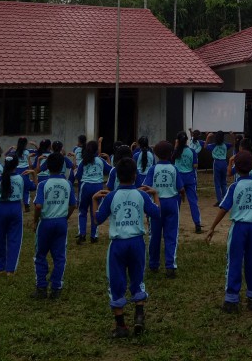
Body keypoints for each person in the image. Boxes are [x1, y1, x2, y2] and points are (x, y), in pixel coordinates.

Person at [93, 157, 161, 338]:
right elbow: (156, 213)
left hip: (118, 244)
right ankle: (139, 315)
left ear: (117, 176)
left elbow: (98, 219)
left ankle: (121, 326)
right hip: (137, 242)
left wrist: (94, 201)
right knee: (137, 278)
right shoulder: (142, 195)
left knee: (116, 281)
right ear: (135, 176)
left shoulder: (111, 196)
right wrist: (155, 195)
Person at [205, 150, 252, 312]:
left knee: (234, 261)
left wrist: (212, 227)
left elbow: (224, 208)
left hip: (239, 227)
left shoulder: (234, 186)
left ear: (236, 168)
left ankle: (231, 299)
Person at [32, 151, 78, 299]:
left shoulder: (43, 184)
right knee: (59, 256)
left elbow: (38, 206)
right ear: (62, 166)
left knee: (40, 254)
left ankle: (41, 287)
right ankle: (56, 287)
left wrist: (35, 220)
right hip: (61, 222)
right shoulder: (68, 184)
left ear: (47, 166)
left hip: (46, 222)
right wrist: (66, 217)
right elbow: (73, 204)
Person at [0, 154, 36, 275]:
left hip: (1, 208)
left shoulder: (0, 179)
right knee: (15, 238)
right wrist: (34, 174)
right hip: (15, 208)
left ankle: (0, 267)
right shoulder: (22, 178)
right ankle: (10, 269)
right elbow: (34, 187)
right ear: (17, 165)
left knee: (0, 237)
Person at [146, 140, 184, 276]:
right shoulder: (174, 168)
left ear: (155, 154)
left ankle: (153, 264)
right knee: (171, 234)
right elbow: (181, 188)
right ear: (171, 153)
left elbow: (146, 187)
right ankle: (170, 266)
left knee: (154, 235)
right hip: (172, 203)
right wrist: (183, 196)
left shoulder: (153, 169)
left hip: (156, 203)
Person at [75, 140, 109, 243]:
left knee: (82, 211)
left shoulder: (83, 161)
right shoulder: (101, 161)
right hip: (98, 187)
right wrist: (108, 159)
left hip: (85, 186)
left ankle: (82, 234)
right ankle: (94, 236)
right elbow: (109, 170)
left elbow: (78, 176)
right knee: (95, 211)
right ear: (96, 150)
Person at [174, 130, 203, 233]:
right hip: (190, 178)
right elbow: (195, 165)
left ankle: (174, 224)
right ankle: (197, 224)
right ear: (187, 140)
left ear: (177, 141)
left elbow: (173, 161)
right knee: (193, 201)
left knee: (176, 202)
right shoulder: (192, 151)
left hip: (178, 178)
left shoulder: (176, 151)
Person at [208, 131, 230, 206]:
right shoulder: (225, 145)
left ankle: (219, 200)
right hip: (224, 163)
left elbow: (205, 146)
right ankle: (225, 199)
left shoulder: (213, 145)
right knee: (223, 182)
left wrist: (208, 137)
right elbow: (233, 144)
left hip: (217, 163)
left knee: (217, 183)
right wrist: (233, 136)